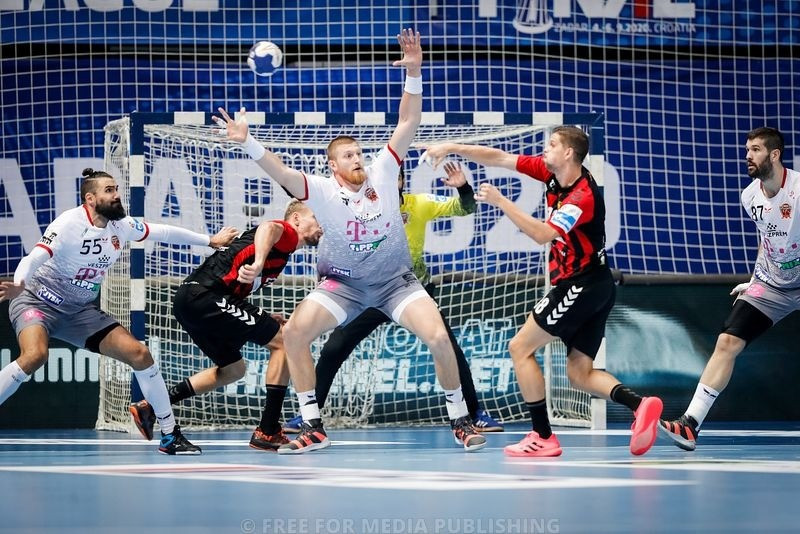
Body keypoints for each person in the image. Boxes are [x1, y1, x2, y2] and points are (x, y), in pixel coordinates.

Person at [215, 28, 487, 454]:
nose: (357, 158)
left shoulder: (383, 172)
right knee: (295, 334)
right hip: (342, 284)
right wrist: (248, 141)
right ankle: (313, 425)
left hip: (396, 283)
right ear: (333, 165)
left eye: (359, 153)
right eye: (348, 155)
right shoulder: (321, 191)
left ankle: (461, 420)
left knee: (438, 337)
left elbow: (408, 122)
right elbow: (282, 173)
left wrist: (414, 73)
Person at [423, 127, 663, 457]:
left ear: (569, 153)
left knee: (520, 347)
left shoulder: (582, 196)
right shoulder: (551, 172)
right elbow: (498, 158)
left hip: (581, 284)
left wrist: (501, 201)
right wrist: (450, 146)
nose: (544, 149)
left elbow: (542, 234)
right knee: (580, 373)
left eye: (551, 144)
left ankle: (542, 436)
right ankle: (640, 405)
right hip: (595, 285)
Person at [0, 168, 237, 454]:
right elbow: (34, 257)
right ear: (90, 198)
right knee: (35, 355)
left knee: (140, 354)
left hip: (78, 312)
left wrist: (209, 240)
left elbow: (161, 231)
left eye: (116, 189)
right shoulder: (68, 224)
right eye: (109, 190)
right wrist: (19, 284)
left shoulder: (121, 225)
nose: (116, 195)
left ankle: (170, 435)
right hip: (38, 301)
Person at [283, 164, 503, 433]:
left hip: (408, 291)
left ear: (400, 181)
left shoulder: (419, 204)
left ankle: (474, 412)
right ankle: (308, 415)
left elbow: (466, 208)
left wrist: (463, 188)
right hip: (367, 294)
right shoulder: (357, 209)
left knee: (446, 345)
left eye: (395, 176)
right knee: (334, 348)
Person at [660, 127, 800, 451]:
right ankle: (690, 424)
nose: (747, 156)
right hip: (771, 286)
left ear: (774, 154)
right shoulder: (749, 196)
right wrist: (755, 279)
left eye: (755, 150)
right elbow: (768, 238)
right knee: (727, 341)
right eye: (747, 149)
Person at [168, 199, 323, 451]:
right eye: (316, 218)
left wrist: (263, 315)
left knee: (233, 370)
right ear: (296, 219)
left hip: (191, 301)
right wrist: (259, 262)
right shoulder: (286, 234)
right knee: (285, 341)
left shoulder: (281, 253)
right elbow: (268, 227)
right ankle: (268, 430)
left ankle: (156, 405)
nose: (321, 225)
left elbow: (233, 285)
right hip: (206, 296)